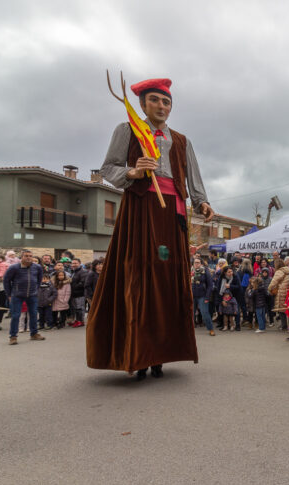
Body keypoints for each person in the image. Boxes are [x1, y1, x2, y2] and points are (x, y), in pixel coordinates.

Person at [88, 78, 214, 380]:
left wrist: (202, 203)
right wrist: (134, 170)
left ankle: (162, 353)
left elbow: (193, 179)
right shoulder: (127, 129)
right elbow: (109, 169)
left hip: (174, 212)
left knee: (169, 281)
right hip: (142, 206)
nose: (161, 106)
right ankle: (138, 352)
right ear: (142, 105)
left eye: (166, 101)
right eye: (155, 100)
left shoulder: (182, 140)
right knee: (140, 278)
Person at [3, 250, 45, 346]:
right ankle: (13, 336)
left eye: (30, 255)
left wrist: (35, 289)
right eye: (26, 256)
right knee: (15, 316)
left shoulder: (37, 267)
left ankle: (34, 334)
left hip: (32, 295)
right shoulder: (13, 268)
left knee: (34, 314)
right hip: (17, 295)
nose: (28, 257)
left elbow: (39, 280)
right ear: (21, 257)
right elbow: (6, 281)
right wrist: (9, 294)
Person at [191, 257, 215, 336]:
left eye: (198, 262)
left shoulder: (205, 271)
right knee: (191, 313)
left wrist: (207, 297)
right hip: (192, 295)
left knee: (204, 313)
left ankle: (211, 329)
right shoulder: (191, 270)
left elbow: (210, 285)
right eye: (195, 262)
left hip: (202, 296)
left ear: (201, 263)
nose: (196, 264)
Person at [268, 259, 289, 331]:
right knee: (286, 308)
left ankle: (284, 326)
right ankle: (288, 325)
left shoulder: (279, 271)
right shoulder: (287, 271)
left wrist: (269, 288)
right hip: (287, 291)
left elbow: (274, 281)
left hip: (281, 291)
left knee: (281, 309)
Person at [68, 258, 86, 328]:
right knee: (75, 308)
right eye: (72, 263)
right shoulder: (73, 271)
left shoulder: (82, 272)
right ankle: (77, 320)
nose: (74, 265)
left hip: (79, 293)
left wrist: (73, 286)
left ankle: (81, 321)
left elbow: (83, 283)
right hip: (74, 293)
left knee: (80, 308)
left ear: (79, 263)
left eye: (75, 263)